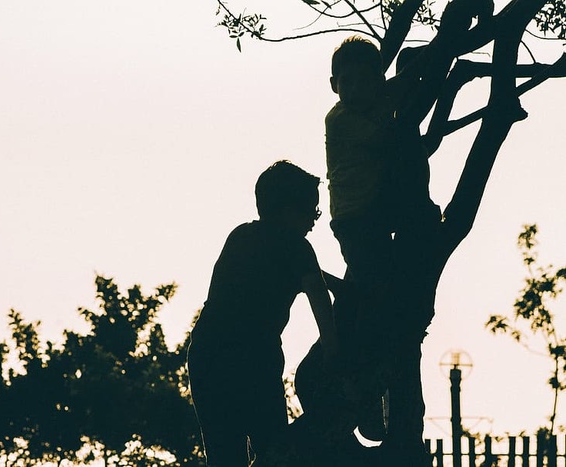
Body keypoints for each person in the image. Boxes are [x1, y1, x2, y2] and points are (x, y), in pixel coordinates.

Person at [323, 0, 493, 461]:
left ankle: (376, 389)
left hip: (377, 213)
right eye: (349, 82)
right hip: (358, 222)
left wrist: (433, 61)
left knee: (382, 295)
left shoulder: (369, 104)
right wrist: (434, 63)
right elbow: (394, 117)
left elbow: (397, 94)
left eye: (366, 79)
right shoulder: (341, 121)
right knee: (379, 296)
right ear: (334, 87)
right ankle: (368, 387)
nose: (358, 89)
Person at [187, 160, 339, 467]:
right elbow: (321, 306)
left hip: (207, 356)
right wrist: (336, 360)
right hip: (253, 361)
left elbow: (300, 274)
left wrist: (339, 286)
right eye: (312, 210)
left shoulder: (241, 237)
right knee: (274, 452)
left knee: (223, 455)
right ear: (288, 210)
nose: (314, 219)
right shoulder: (299, 249)